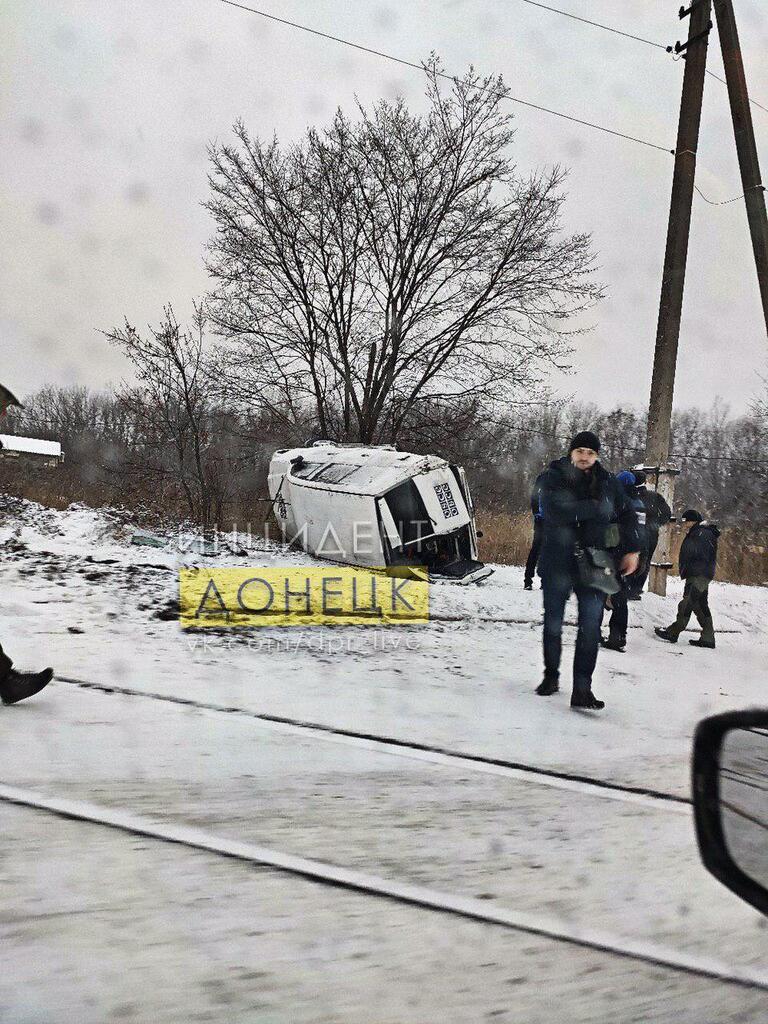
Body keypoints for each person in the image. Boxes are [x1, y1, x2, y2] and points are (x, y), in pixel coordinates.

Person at [535, 431, 641, 710]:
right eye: (580, 451)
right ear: (571, 452)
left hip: (595, 563)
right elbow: (553, 511)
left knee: (591, 626)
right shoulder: (554, 476)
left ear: (597, 456)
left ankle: (582, 690)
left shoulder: (608, 482)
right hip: (557, 561)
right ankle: (551, 676)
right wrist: (594, 507)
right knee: (553, 623)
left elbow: (628, 514)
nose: (584, 457)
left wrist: (633, 549)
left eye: (590, 452)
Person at [655, 509, 719, 649]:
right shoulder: (699, 532)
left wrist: (693, 568)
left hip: (698, 575)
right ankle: (708, 638)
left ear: (693, 521)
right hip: (699, 574)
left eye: (686, 521)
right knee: (700, 605)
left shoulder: (702, 533)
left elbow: (698, 554)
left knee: (687, 603)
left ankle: (673, 632)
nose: (684, 524)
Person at [600, 470, 647, 652]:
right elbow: (640, 531)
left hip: (613, 553)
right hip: (632, 555)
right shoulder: (639, 503)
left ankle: (594, 632)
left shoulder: (617, 501)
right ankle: (618, 636)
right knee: (620, 597)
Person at [627, 471, 672, 600]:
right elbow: (667, 514)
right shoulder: (655, 497)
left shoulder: (629, 496)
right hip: (651, 534)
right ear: (645, 482)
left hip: (633, 532)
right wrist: (655, 524)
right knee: (645, 561)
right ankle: (636, 589)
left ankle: (627, 586)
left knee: (630, 557)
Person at [523, 471, 545, 590]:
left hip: (542, 520)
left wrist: (536, 513)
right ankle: (534, 580)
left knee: (536, 550)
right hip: (546, 520)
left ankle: (528, 580)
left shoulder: (543, 477)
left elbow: (534, 496)